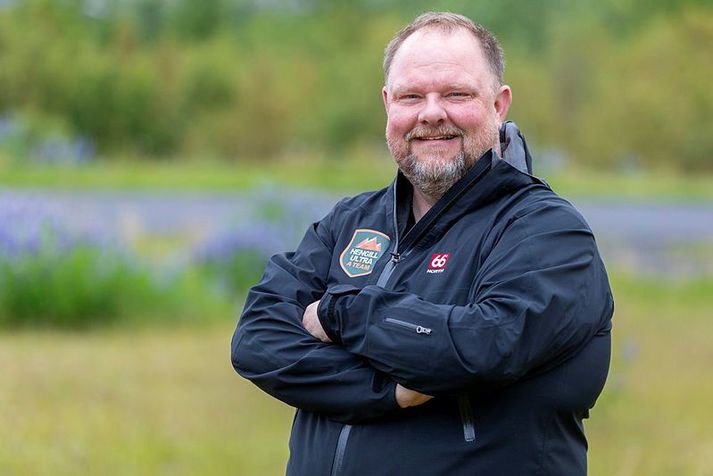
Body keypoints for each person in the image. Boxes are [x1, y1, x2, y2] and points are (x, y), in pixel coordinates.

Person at [231, 11, 613, 476]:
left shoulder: (547, 232)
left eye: (456, 94)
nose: (432, 113)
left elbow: (479, 348)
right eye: (412, 96)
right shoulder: (350, 221)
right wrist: (388, 389)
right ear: (388, 105)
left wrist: (336, 313)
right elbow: (256, 339)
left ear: (499, 105)